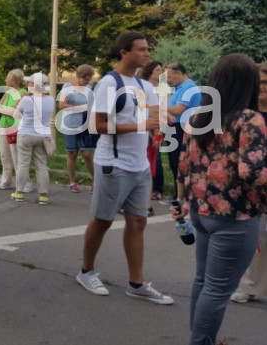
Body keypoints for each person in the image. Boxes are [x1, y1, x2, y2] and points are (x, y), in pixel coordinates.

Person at [172, 54, 267, 345]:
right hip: (236, 216)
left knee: (204, 282)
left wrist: (185, 202)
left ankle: (200, 338)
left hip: (203, 212)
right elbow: (252, 173)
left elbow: (184, 165)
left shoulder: (199, 117)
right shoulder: (250, 119)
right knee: (217, 290)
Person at [76, 31, 173, 305]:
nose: (147, 54)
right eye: (141, 49)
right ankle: (86, 271)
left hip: (140, 165)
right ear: (124, 52)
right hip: (113, 164)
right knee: (103, 220)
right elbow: (98, 125)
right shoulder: (109, 83)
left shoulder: (144, 86)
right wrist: (143, 125)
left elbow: (155, 117)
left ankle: (137, 283)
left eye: (147, 49)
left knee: (138, 222)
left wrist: (158, 128)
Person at [229, 61, 267, 304]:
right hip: (253, 186)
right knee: (258, 238)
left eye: (266, 83)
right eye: (259, 83)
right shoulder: (246, 114)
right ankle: (250, 285)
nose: (262, 87)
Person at [11, 72, 55, 205]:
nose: (28, 84)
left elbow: (16, 115)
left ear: (34, 85)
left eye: (30, 83)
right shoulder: (51, 100)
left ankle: (19, 192)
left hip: (26, 134)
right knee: (41, 165)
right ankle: (43, 195)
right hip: (43, 135)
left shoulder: (26, 100)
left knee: (23, 164)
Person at [165, 62, 201, 196]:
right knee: (174, 163)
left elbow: (178, 110)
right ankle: (178, 194)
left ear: (178, 73)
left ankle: (182, 195)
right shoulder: (179, 88)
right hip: (175, 127)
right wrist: (168, 112)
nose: (169, 80)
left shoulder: (188, 88)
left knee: (179, 163)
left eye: (170, 77)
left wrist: (160, 108)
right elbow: (171, 108)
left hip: (183, 128)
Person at [59, 64, 96, 193]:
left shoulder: (90, 88)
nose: (87, 82)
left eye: (89, 79)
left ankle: (95, 181)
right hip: (70, 123)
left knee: (87, 154)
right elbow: (61, 105)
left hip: (85, 125)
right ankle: (72, 181)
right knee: (72, 153)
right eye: (85, 79)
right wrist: (78, 108)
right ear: (79, 76)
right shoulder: (67, 87)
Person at [138, 61, 167, 201]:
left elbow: (159, 113)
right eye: (158, 70)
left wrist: (158, 134)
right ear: (150, 72)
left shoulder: (162, 89)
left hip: (156, 127)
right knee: (147, 162)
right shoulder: (143, 88)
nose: (161, 73)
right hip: (143, 128)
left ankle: (155, 191)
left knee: (153, 161)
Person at [0, 69, 26, 190]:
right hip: (3, 126)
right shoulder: (8, 92)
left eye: (7, 78)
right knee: (4, 156)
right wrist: (6, 110)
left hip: (15, 128)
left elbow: (15, 112)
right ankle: (6, 180)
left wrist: (4, 110)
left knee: (17, 157)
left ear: (14, 80)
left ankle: (22, 182)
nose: (5, 80)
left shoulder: (23, 93)